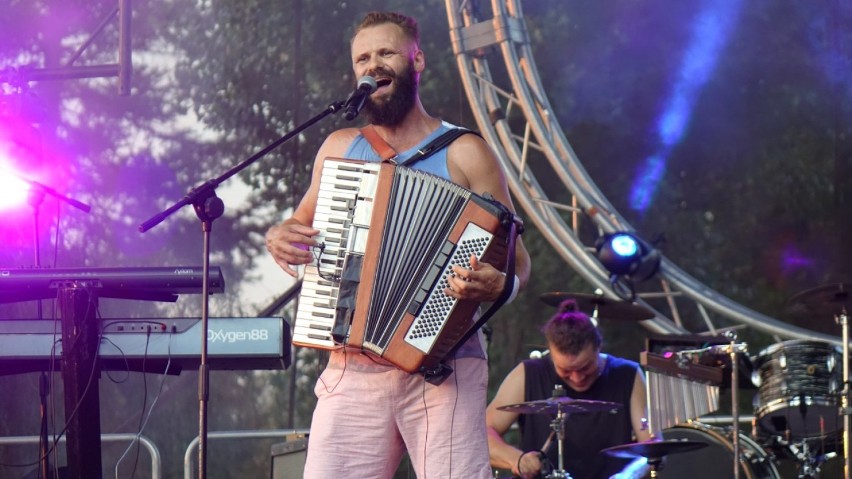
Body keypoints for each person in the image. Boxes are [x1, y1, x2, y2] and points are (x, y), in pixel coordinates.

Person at [265, 11, 531, 479]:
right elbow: (298, 228)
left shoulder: (466, 151)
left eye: (385, 53)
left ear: (417, 60)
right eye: (362, 58)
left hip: (443, 368)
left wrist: (499, 284)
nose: (373, 64)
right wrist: (279, 236)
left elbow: (518, 262)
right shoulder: (339, 148)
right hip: (351, 364)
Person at [485, 299, 654, 479]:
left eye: (585, 367)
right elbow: (482, 433)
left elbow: (653, 446)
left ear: (598, 347)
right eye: (565, 370)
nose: (577, 377)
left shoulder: (628, 374)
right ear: (550, 351)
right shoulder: (527, 373)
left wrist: (627, 475)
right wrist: (516, 459)